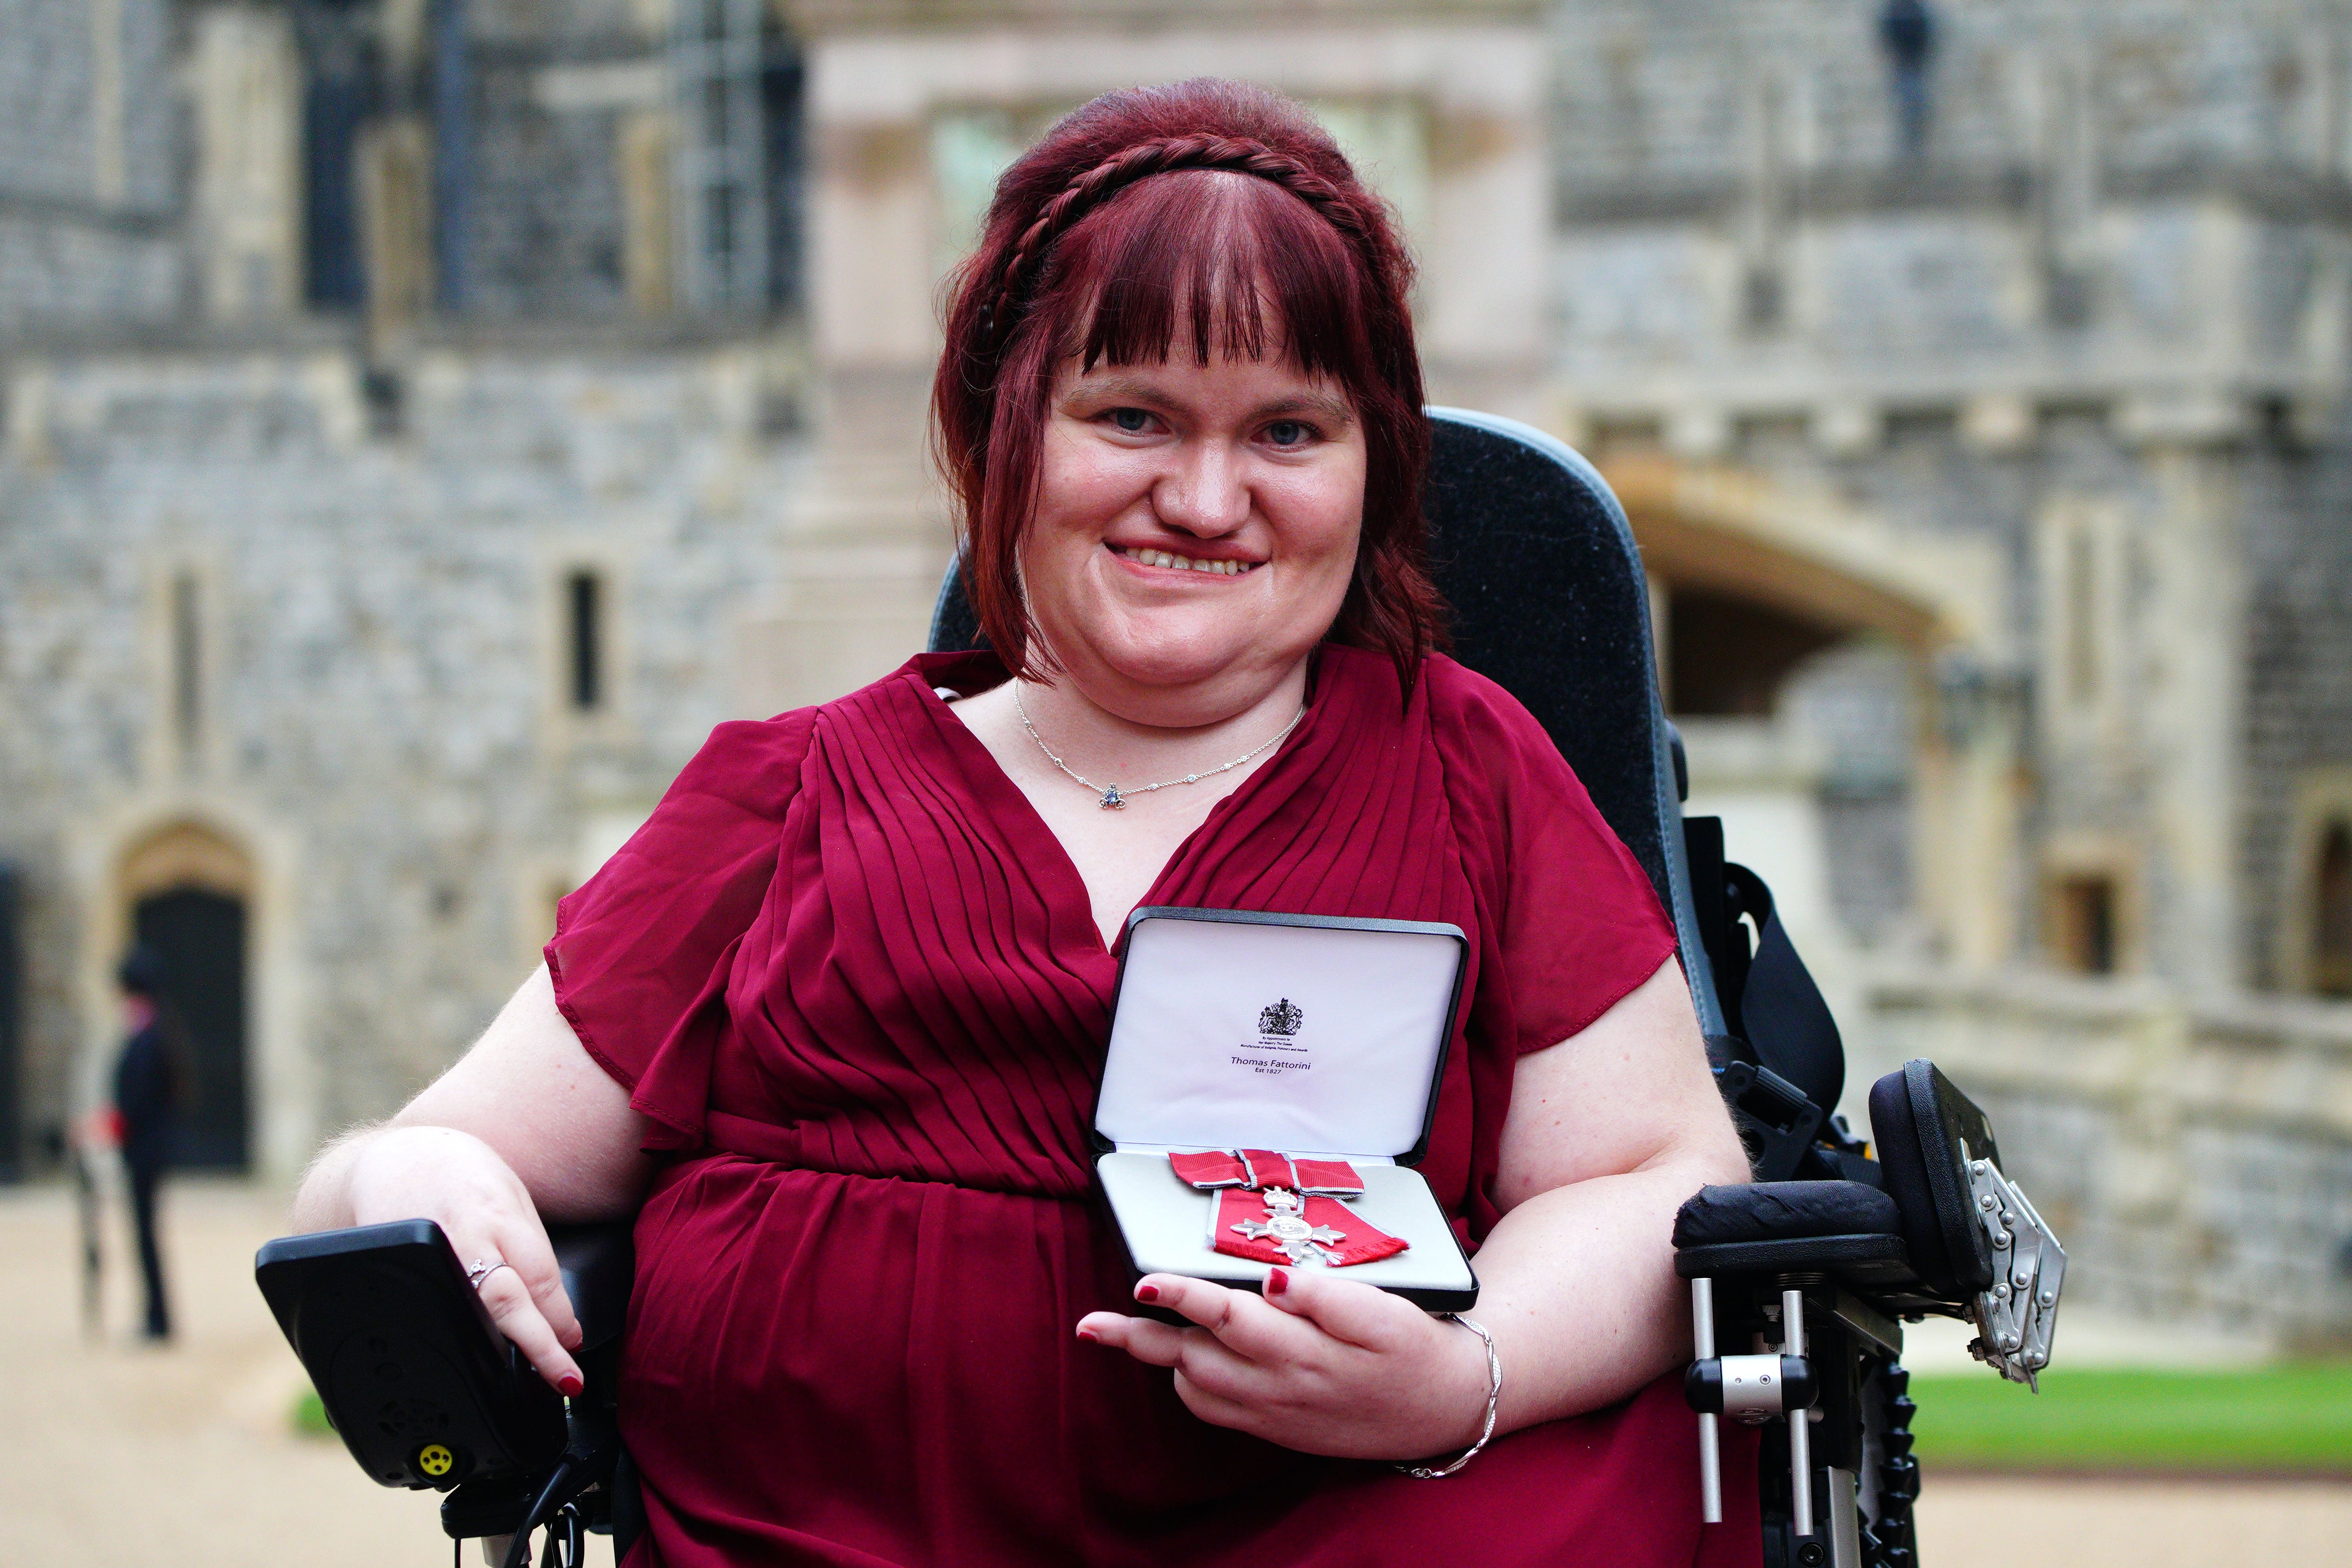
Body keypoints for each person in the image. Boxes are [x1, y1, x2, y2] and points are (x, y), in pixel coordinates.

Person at [294, 79, 1757, 1566]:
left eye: (1289, 431)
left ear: (1371, 467)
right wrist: (408, 1176)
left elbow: (1661, 1178)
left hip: (1338, 1517)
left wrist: (1464, 1372)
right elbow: (412, 1157)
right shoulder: (782, 795)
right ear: (1006, 433)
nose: (1203, 496)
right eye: (1132, 416)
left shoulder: (1462, 769)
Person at [114, 946, 183, 1341]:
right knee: (145, 1234)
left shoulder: (148, 1037)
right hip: (148, 1149)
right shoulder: (157, 1032)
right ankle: (157, 1315)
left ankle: (158, 1320)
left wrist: (105, 1125)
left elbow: (135, 1103)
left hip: (144, 1151)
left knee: (145, 1235)